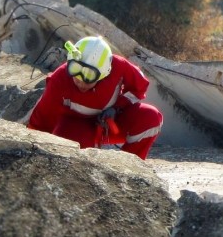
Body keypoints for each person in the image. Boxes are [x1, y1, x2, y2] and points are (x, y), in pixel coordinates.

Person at [27, 35, 162, 159]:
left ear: (104, 73)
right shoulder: (59, 79)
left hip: (109, 125)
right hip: (74, 129)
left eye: (89, 76)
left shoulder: (120, 67)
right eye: (75, 70)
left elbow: (140, 87)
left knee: (151, 117)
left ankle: (130, 169)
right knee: (74, 147)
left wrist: (117, 107)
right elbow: (41, 122)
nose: (80, 80)